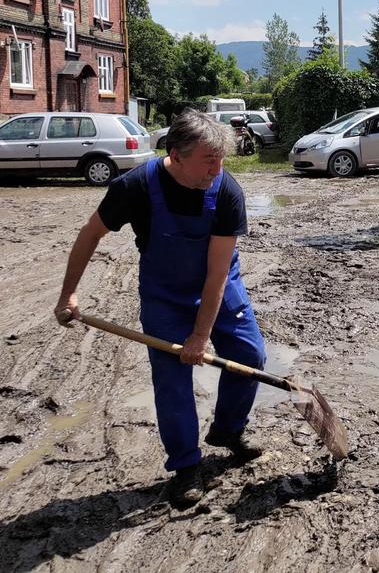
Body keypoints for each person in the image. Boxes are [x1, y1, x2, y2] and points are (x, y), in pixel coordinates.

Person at [54, 109, 266, 508]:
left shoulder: (226, 191)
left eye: (220, 160)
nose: (215, 170)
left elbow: (217, 274)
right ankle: (186, 467)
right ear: (176, 153)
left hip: (219, 287)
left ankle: (228, 429)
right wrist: (68, 293)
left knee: (250, 354)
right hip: (164, 294)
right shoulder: (134, 186)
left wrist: (200, 336)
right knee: (172, 378)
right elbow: (90, 234)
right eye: (208, 160)